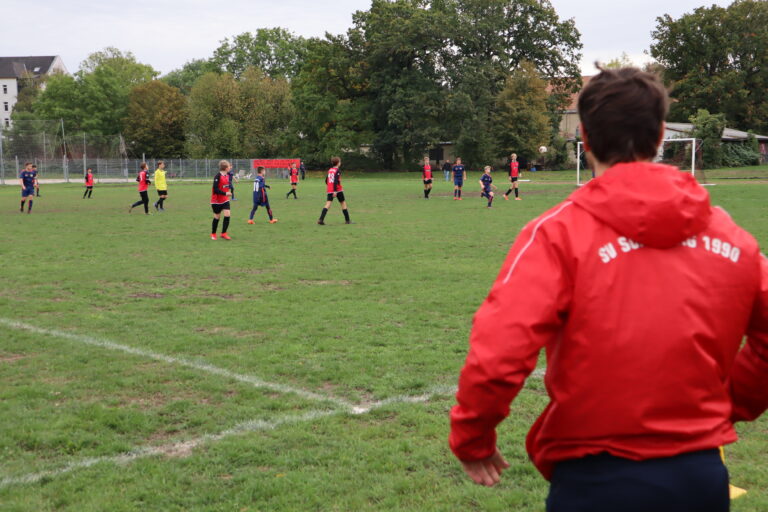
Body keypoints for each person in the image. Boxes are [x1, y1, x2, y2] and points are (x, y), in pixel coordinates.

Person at [449, 66, 768, 512]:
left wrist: (472, 435)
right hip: (699, 478)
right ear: (659, 135)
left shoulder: (557, 233)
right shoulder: (734, 238)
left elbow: (500, 348)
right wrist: (732, 401)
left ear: (585, 136)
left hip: (596, 479)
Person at [317, 156, 351, 225]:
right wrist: (335, 191)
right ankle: (347, 221)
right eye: (340, 162)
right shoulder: (337, 170)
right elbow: (335, 181)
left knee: (328, 204)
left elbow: (326, 180)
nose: (340, 163)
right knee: (343, 203)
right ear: (338, 163)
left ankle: (321, 219)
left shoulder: (330, 170)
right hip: (337, 189)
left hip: (330, 189)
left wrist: (329, 186)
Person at [210, 160, 233, 240]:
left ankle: (223, 233)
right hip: (216, 201)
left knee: (227, 214)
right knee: (217, 217)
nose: (230, 167)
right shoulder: (217, 176)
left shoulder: (227, 175)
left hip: (225, 200)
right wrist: (226, 193)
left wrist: (228, 192)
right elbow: (215, 189)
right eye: (229, 166)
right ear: (226, 168)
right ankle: (213, 234)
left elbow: (225, 186)